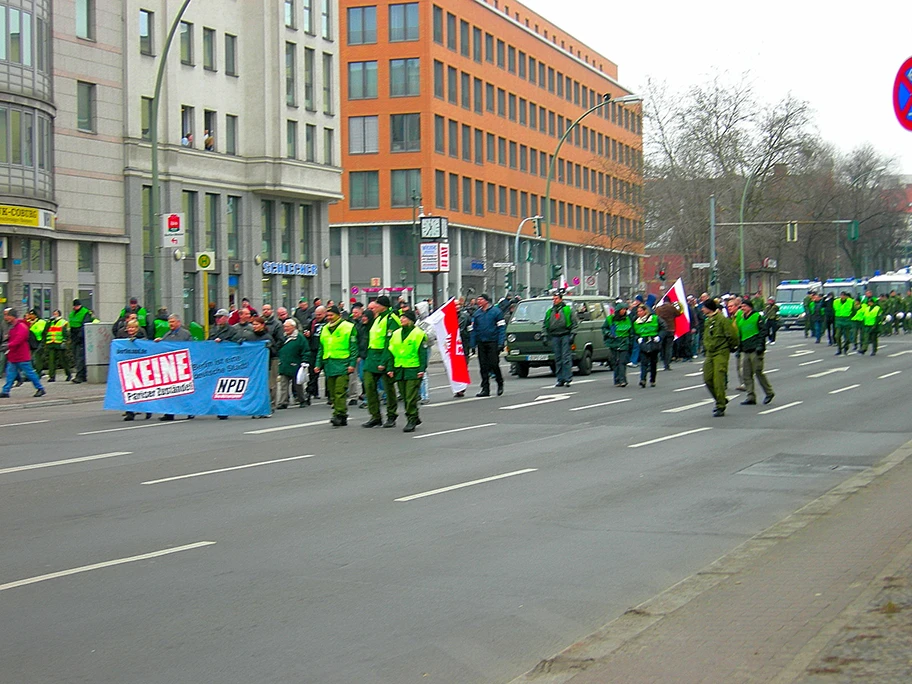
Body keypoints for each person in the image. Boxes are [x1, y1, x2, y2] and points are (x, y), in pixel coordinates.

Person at [384, 308, 429, 432]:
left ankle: (411, 419)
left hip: (413, 369)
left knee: (410, 396)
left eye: (404, 318)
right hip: (400, 369)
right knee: (404, 396)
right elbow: (391, 352)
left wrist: (421, 369)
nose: (401, 319)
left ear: (411, 320)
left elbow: (422, 353)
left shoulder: (418, 334)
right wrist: (390, 367)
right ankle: (414, 415)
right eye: (401, 317)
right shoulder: (396, 333)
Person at [314, 305, 358, 427]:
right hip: (329, 364)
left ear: (338, 315)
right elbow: (321, 348)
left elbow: (353, 348)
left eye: (331, 315)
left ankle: (339, 414)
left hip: (342, 363)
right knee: (332, 393)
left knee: (340, 391)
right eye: (327, 316)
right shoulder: (325, 328)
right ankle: (341, 414)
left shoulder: (348, 327)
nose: (329, 318)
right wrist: (318, 364)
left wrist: (352, 364)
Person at [361, 296, 400, 428]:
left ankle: (391, 415)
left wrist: (385, 361)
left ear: (383, 305)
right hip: (372, 356)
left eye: (377, 304)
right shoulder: (377, 318)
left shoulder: (391, 318)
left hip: (385, 355)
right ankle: (375, 415)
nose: (374, 306)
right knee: (369, 385)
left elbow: (391, 342)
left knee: (388, 388)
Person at [702, 299, 739, 417]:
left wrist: (732, 346)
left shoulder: (722, 320)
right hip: (710, 352)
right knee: (707, 378)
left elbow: (732, 334)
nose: (702, 309)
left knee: (718, 378)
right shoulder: (707, 321)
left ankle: (720, 406)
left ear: (709, 308)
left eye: (704, 307)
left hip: (721, 351)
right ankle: (721, 398)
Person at [156, 314, 194, 421]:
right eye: (169, 322)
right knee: (169, 391)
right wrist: (159, 342)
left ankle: (189, 411)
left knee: (185, 390)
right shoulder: (166, 335)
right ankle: (169, 413)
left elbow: (192, 348)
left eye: (173, 322)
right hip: (170, 368)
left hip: (182, 366)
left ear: (178, 322)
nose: (171, 324)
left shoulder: (186, 335)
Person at [0, 308, 46, 398]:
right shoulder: (13, 326)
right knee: (10, 373)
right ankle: (5, 391)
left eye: (7, 315)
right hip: (14, 355)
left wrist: (8, 345)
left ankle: (40, 388)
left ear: (12, 316)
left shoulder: (21, 326)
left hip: (21, 355)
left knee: (29, 373)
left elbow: (19, 339)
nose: (6, 317)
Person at [735, 299, 774, 406]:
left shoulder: (757, 317)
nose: (742, 308)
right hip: (746, 349)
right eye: (741, 307)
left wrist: (761, 345)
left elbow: (763, 332)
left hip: (756, 349)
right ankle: (750, 396)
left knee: (758, 371)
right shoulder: (741, 319)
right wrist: (739, 349)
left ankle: (769, 392)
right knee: (746, 374)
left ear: (749, 307)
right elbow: (741, 335)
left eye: (744, 306)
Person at [469, 293, 505, 397]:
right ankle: (485, 388)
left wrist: (500, 343)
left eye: (480, 299)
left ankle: (500, 383)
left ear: (486, 301)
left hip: (492, 342)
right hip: (481, 342)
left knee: (494, 364)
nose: (478, 301)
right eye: (478, 300)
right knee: (483, 366)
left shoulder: (496, 312)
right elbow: (473, 330)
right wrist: (473, 344)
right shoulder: (477, 314)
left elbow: (501, 328)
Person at [116, 318, 152, 421]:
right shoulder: (123, 337)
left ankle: (147, 409)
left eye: (133, 327)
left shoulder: (142, 338)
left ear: (137, 328)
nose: (130, 329)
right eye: (129, 327)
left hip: (140, 368)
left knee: (141, 390)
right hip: (128, 368)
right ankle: (130, 412)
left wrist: (136, 341)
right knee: (128, 390)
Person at [542, 290, 579, 388]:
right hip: (555, 336)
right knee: (558, 358)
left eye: (556, 299)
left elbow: (575, 323)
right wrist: (545, 335)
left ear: (561, 299)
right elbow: (545, 325)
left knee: (565, 358)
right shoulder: (550, 311)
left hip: (565, 335)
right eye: (553, 299)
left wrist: (572, 335)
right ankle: (560, 379)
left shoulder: (567, 310)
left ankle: (567, 378)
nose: (554, 300)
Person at [277, 318, 309, 409]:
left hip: (295, 364)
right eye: (284, 327)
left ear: (293, 327)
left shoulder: (300, 338)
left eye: (287, 327)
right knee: (283, 385)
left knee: (298, 384)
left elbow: (305, 350)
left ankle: (302, 400)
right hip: (284, 364)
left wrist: (304, 361)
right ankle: (283, 402)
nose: (285, 328)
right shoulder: (283, 337)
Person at [633, 304, 665, 388]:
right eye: (638, 311)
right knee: (644, 362)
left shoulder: (655, 318)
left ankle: (652, 380)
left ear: (645, 311)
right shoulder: (636, 321)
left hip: (653, 342)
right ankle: (643, 379)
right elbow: (634, 333)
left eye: (640, 311)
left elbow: (663, 327)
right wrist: (637, 338)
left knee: (653, 363)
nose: (639, 313)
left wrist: (659, 336)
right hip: (643, 342)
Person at [603, 300, 633, 387]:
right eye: (622, 309)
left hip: (624, 342)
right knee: (615, 362)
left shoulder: (628, 319)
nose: (624, 311)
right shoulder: (610, 319)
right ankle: (617, 380)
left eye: (625, 310)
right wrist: (609, 333)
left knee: (622, 362)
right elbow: (604, 328)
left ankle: (623, 379)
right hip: (614, 343)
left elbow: (631, 330)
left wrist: (630, 340)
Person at [68, 299, 94, 383]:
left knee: (80, 357)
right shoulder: (72, 313)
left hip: (81, 338)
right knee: (76, 357)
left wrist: (80, 336)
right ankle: (81, 375)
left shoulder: (85, 312)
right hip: (74, 337)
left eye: (76, 306)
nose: (74, 307)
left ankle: (80, 375)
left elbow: (85, 325)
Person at [45, 309, 72, 382]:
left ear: (59, 314)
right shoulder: (51, 322)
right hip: (52, 343)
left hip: (59, 343)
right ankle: (52, 376)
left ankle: (68, 374)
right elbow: (46, 330)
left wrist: (64, 341)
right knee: (51, 361)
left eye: (55, 314)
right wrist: (48, 321)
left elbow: (65, 333)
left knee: (63, 360)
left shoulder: (63, 322)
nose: (54, 315)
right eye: (53, 314)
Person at [654, 298, 680, 371]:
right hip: (671, 329)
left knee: (660, 346)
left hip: (661, 329)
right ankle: (667, 364)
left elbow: (656, 316)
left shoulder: (659, 309)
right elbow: (679, 313)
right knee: (668, 347)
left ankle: (655, 362)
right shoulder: (672, 308)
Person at [832, 291, 854, 356]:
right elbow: (834, 310)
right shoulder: (836, 302)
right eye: (841, 295)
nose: (843, 297)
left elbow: (854, 311)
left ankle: (846, 347)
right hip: (839, 320)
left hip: (847, 320)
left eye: (844, 296)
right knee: (837, 336)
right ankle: (839, 348)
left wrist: (850, 317)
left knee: (847, 338)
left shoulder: (851, 302)